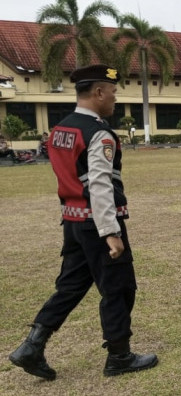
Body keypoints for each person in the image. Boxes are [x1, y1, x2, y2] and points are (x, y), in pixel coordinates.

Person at [8, 64, 158, 380]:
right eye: (113, 92)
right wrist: (111, 232)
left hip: (73, 222)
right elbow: (100, 185)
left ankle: (32, 345)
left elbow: (69, 177)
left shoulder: (60, 130)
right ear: (98, 92)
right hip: (98, 223)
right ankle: (119, 356)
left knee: (70, 286)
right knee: (118, 287)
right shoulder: (98, 133)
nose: (115, 99)